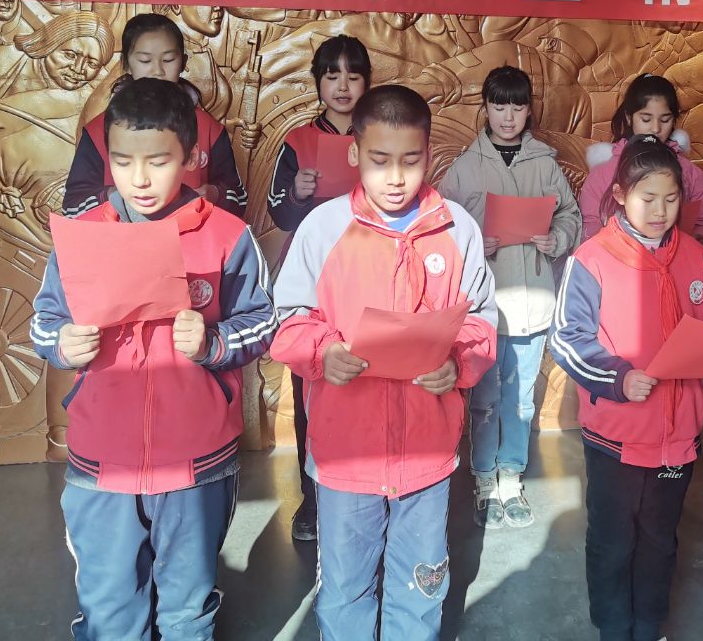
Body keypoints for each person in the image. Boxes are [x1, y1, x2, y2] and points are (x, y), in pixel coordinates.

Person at [31, 77, 276, 640]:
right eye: (122, 161)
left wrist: (213, 343)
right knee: (111, 610)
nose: (139, 179)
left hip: (196, 460)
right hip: (102, 459)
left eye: (158, 161)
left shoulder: (226, 235)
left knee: (187, 609)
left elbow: (264, 322)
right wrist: (62, 342)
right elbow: (44, 320)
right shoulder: (83, 236)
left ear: (190, 157)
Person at [268, 85, 497, 641]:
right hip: (346, 451)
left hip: (427, 452)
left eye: (411, 161)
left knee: (421, 585)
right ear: (354, 153)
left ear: (429, 155)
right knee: (345, 587)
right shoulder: (322, 229)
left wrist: (457, 364)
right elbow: (288, 318)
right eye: (379, 160)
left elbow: (481, 319)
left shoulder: (456, 228)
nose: (396, 177)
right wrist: (324, 352)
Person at [552, 135, 703, 641]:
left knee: (660, 536)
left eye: (671, 199)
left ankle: (650, 624)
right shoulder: (591, 259)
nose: (660, 211)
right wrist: (617, 377)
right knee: (613, 540)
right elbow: (566, 339)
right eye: (648, 198)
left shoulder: (697, 258)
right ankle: (614, 627)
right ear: (619, 195)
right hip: (616, 434)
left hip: (679, 433)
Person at [439, 65, 581, 529]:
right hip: (483, 308)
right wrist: (475, 241)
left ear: (528, 112)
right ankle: (483, 477)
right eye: (499, 106)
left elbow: (571, 217)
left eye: (517, 107)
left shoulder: (545, 163)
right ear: (485, 108)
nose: (507, 116)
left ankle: (511, 475)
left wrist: (556, 239)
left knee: (521, 400)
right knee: (483, 399)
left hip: (532, 304)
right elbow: (440, 230)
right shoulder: (465, 167)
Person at [265, 33, 372, 541]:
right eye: (332, 76)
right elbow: (278, 214)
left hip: (370, 273)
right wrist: (296, 193)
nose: (343, 86)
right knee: (311, 385)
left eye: (354, 76)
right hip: (314, 277)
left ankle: (366, 488)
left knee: (367, 378)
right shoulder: (297, 141)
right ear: (318, 83)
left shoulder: (379, 133)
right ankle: (312, 500)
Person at [63, 13, 247, 218]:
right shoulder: (98, 131)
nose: (157, 70)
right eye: (145, 60)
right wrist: (110, 196)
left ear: (183, 62)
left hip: (190, 236)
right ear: (126, 63)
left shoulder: (209, 129)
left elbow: (239, 200)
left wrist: (215, 194)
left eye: (168, 59)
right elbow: (72, 207)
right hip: (119, 238)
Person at [581, 74, 703, 249]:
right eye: (646, 119)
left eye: (665, 120)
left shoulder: (690, 174)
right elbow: (590, 228)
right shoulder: (603, 175)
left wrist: (696, 243)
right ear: (629, 117)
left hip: (676, 261)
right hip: (618, 263)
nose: (655, 128)